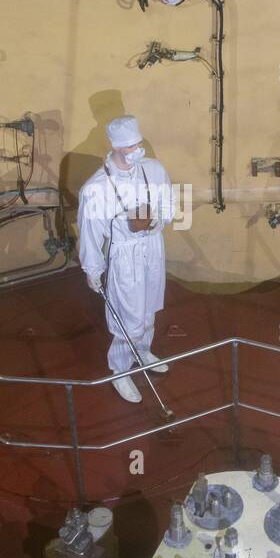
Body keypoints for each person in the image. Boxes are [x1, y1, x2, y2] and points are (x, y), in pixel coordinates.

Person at [77, 115, 174, 403]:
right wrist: (92, 269)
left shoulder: (154, 170)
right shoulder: (95, 188)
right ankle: (120, 370)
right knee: (128, 316)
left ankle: (143, 351)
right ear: (116, 148)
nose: (137, 151)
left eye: (138, 144)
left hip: (153, 249)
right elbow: (90, 232)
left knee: (149, 308)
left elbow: (169, 204)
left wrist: (155, 222)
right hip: (124, 255)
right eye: (130, 147)